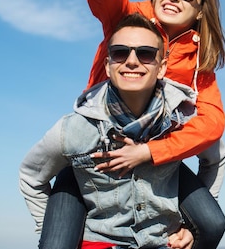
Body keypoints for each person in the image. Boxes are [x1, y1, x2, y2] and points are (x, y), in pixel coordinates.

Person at [41, 0, 225, 249]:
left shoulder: (199, 64)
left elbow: (212, 124)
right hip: (97, 151)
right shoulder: (129, 23)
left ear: (200, 9)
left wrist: (150, 151)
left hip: (158, 162)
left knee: (211, 224)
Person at [20, 13, 198, 249]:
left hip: (163, 242)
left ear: (162, 67)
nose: (132, 61)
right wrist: (49, 231)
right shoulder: (75, 129)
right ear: (108, 64)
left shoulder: (182, 119)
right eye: (120, 53)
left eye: (145, 53)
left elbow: (215, 158)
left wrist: (191, 227)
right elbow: (31, 176)